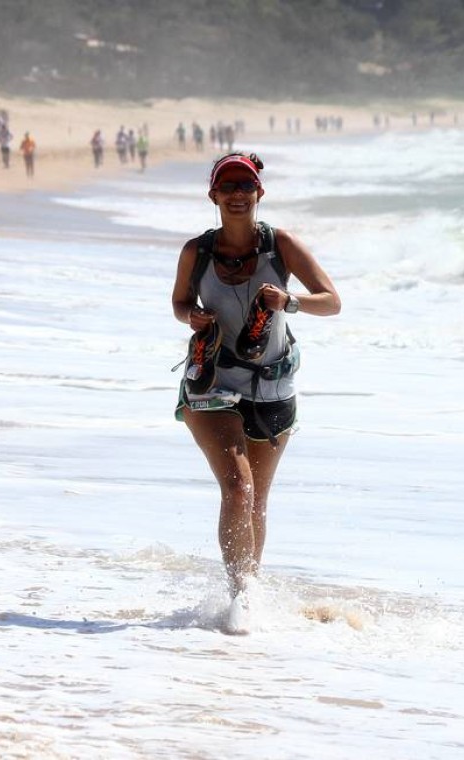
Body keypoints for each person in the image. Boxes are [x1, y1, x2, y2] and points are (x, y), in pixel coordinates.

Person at [169, 152, 341, 632]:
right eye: (229, 188)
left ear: (259, 194)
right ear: (214, 197)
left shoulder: (280, 246)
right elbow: (181, 303)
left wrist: (289, 301)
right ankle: (240, 598)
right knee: (238, 487)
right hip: (214, 380)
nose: (238, 195)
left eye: (246, 187)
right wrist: (193, 317)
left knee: (256, 500)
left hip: (273, 383)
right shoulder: (196, 252)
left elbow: (332, 301)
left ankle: (247, 592)